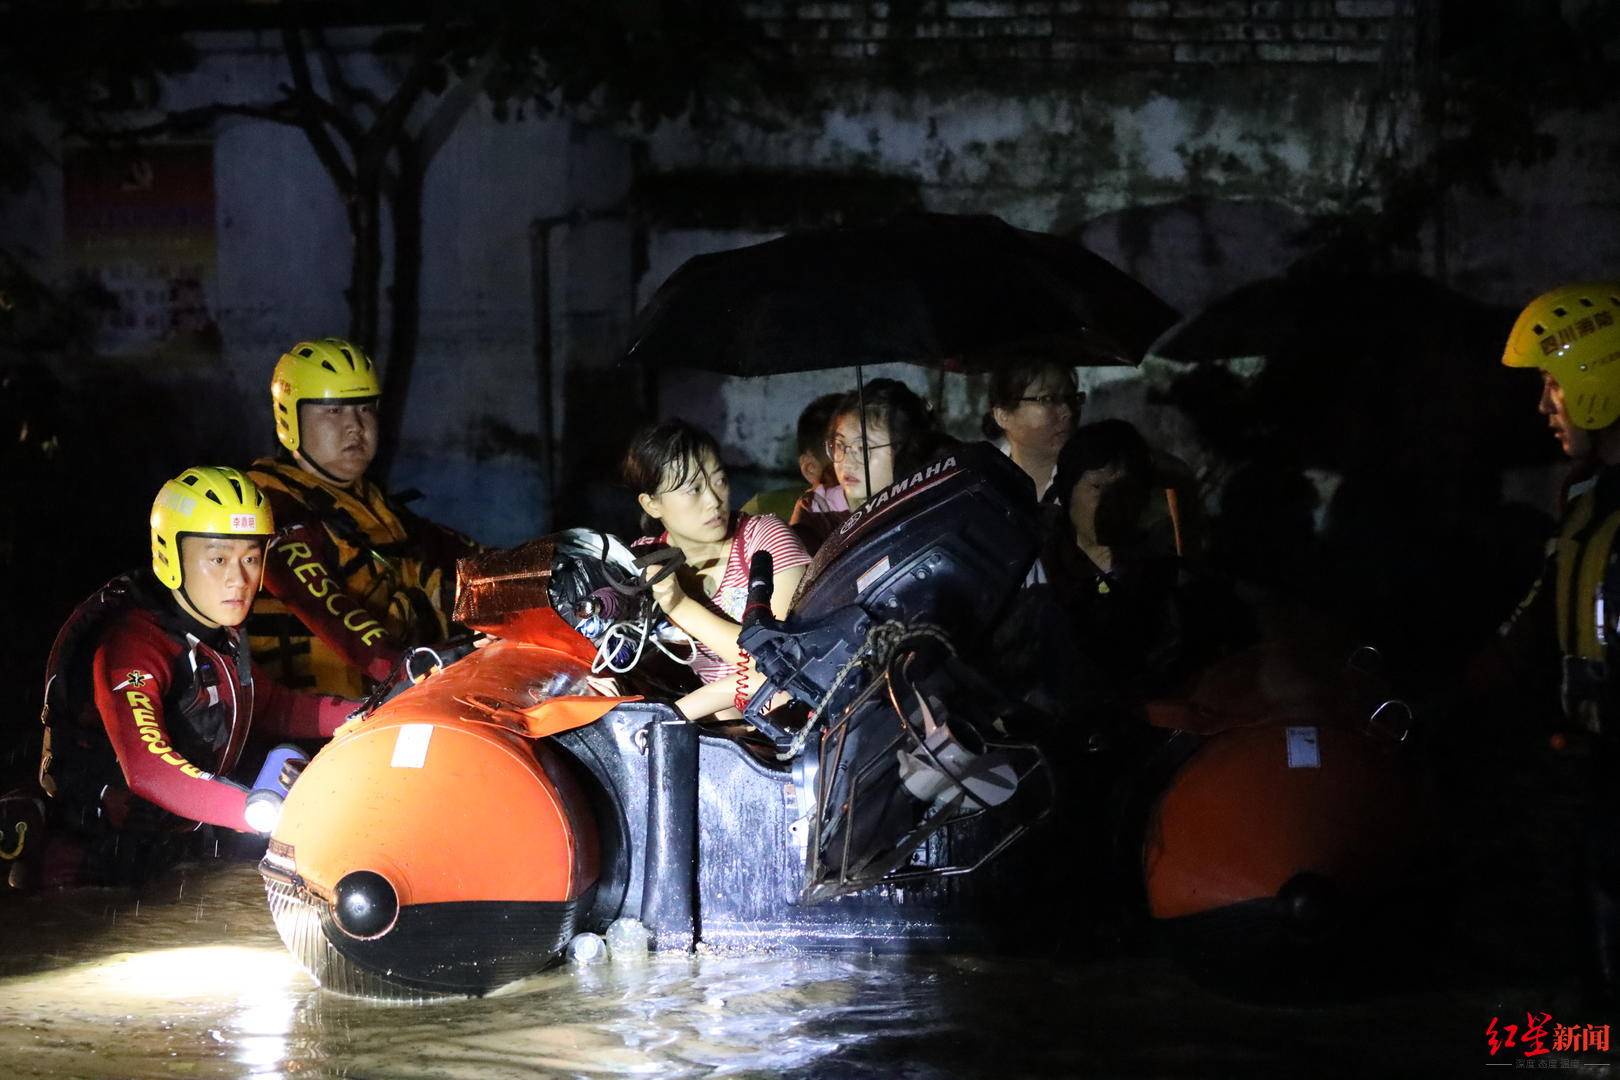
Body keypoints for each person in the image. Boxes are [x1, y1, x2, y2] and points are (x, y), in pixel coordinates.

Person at [35, 467, 355, 886]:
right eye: (219, 558)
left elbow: (272, 705)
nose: (238, 579)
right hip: (87, 873)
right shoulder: (133, 642)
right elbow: (148, 767)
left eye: (251, 558)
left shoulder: (215, 632)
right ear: (171, 557)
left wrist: (370, 714)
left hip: (171, 856)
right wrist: (255, 813)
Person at [1495, 282, 1620, 1001]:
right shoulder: (1586, 499)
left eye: (1553, 385)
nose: (1545, 406)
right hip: (1599, 761)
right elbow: (1543, 611)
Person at [246, 338, 479, 698]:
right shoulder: (272, 509)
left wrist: (545, 572)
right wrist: (401, 668)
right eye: (333, 411)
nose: (355, 426)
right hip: (315, 726)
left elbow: (461, 554)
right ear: (288, 418)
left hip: (390, 703)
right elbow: (325, 607)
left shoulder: (369, 503)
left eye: (365, 409)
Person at [623, 420, 811, 720]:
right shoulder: (643, 559)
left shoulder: (764, 540)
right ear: (651, 504)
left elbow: (778, 662)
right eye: (693, 489)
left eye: (719, 480)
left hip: (784, 733)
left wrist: (680, 606)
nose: (713, 500)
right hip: (708, 735)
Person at [824, 378, 948, 520]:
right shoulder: (819, 510)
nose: (847, 463)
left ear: (907, 450)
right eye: (839, 445)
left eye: (863, 449)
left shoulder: (935, 506)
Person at [982, 360, 1082, 501]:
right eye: (1048, 399)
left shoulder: (1093, 483)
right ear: (1002, 415)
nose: (1068, 412)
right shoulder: (983, 484)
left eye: (1072, 398)